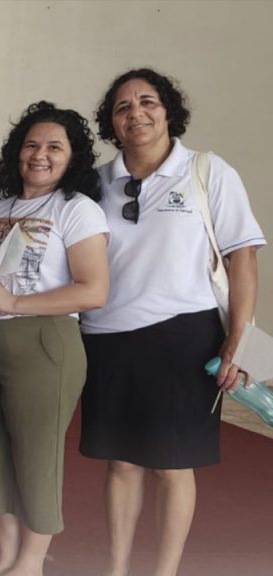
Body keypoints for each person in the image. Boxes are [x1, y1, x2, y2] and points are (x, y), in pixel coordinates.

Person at [79, 68, 264, 576]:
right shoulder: (95, 182)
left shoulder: (207, 171)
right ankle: (115, 569)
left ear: (168, 111)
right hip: (106, 337)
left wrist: (238, 341)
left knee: (172, 465)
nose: (135, 113)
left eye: (147, 102)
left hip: (182, 336)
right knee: (121, 463)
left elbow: (242, 257)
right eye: (122, 107)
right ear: (111, 123)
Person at [0, 101, 109, 576]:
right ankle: (6, 556)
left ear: (74, 156)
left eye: (54, 146)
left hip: (45, 344)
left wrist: (16, 304)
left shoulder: (78, 210)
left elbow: (94, 290)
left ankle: (30, 564)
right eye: (31, 144)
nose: (40, 154)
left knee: (36, 458)